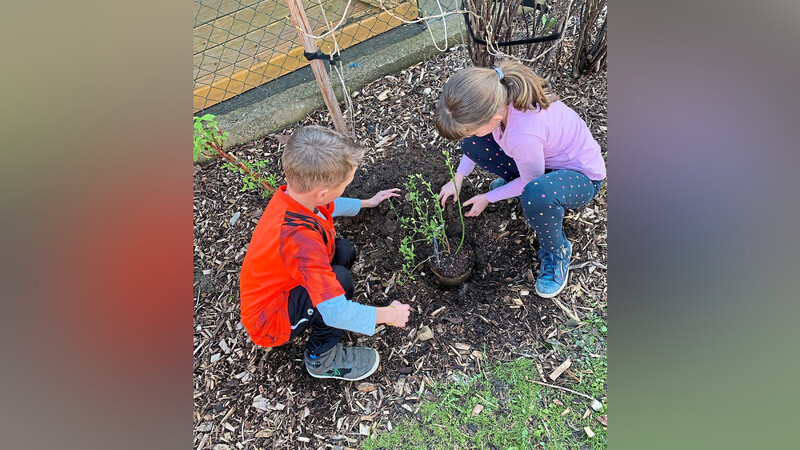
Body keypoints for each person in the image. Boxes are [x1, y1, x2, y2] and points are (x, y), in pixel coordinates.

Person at [240, 125, 410, 381]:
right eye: (346, 184)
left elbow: (330, 206)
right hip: (270, 319)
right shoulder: (300, 241)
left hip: (287, 282)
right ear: (320, 192)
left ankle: (321, 303)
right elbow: (335, 312)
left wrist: (368, 202)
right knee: (340, 282)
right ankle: (321, 359)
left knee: (343, 250)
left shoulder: (295, 198)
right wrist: (390, 314)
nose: (346, 187)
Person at [434, 60, 606, 298]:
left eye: (470, 128)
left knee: (537, 195)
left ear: (493, 117)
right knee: (473, 144)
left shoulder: (523, 134)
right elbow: (473, 143)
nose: (470, 134)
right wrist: (458, 178)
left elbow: (530, 182)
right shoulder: (498, 96)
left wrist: (488, 197)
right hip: (543, 161)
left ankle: (557, 252)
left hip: (581, 178)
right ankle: (518, 183)